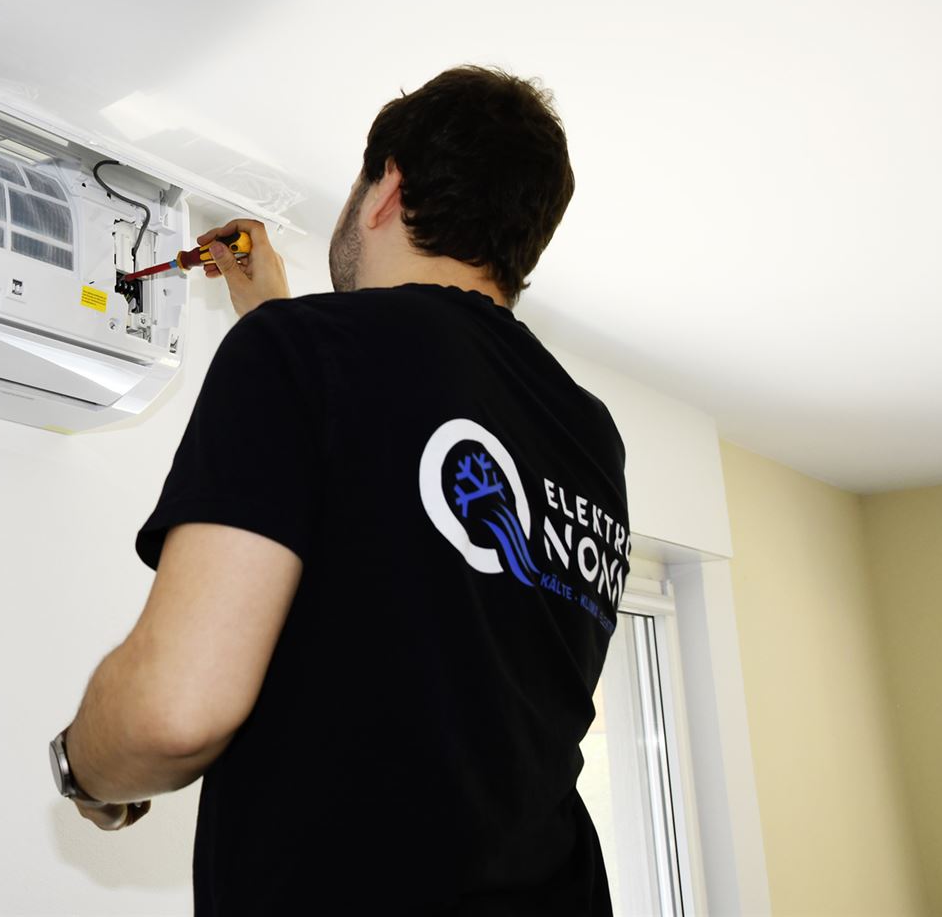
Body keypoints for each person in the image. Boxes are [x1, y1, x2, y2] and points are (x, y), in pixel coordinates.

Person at [49, 66, 627, 914]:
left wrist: (81, 767)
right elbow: (406, 560)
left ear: (386, 187)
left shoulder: (304, 355)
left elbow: (176, 709)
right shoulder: (589, 438)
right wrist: (273, 318)